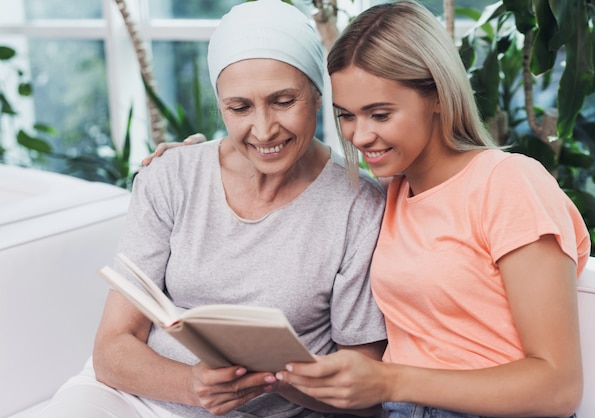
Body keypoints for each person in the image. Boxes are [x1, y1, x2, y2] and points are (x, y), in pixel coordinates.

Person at [40, 1, 387, 417]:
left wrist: (270, 378)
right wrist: (190, 385)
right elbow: (112, 349)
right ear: (221, 106)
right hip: (133, 399)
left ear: (317, 95)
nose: (263, 129)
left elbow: (363, 388)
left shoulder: (358, 208)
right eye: (240, 108)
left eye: (283, 101)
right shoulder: (172, 176)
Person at [274, 2, 591, 418]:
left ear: (438, 97)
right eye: (346, 116)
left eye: (380, 114)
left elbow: (558, 387)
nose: (361, 135)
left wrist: (390, 380)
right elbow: (299, 165)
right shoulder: (391, 192)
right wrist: (188, 158)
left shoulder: (508, 184)